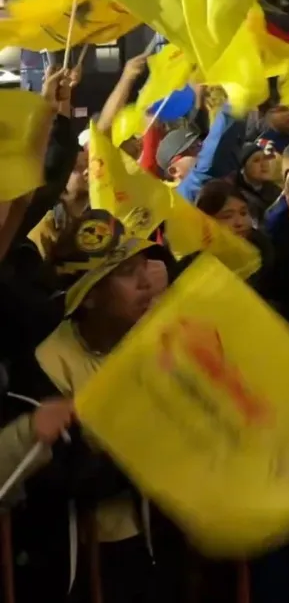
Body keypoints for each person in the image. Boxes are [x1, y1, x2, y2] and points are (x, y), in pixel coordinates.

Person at [3, 211, 181, 603]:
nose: (144, 281)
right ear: (90, 296)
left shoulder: (158, 342)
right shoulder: (43, 367)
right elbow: (69, 477)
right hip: (84, 563)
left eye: (142, 266)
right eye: (124, 273)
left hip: (157, 547)